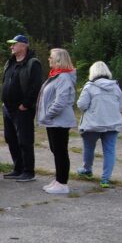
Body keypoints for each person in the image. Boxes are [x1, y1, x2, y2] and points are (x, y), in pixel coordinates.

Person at [1, 34, 43, 183]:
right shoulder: (10, 62)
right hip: (7, 108)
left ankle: (28, 171)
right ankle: (17, 168)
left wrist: (25, 104)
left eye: (14, 44)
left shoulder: (33, 63)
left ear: (24, 45)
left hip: (22, 109)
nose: (11, 47)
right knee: (10, 138)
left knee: (24, 140)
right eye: (11, 44)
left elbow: (35, 86)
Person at [76, 61, 122, 189]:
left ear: (93, 72)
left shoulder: (89, 87)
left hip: (93, 125)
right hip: (113, 124)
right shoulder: (116, 87)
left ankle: (87, 170)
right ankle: (105, 179)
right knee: (109, 151)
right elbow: (120, 105)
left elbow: (81, 105)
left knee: (89, 148)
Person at [36, 48, 77, 194]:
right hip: (54, 121)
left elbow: (60, 102)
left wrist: (47, 115)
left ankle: (62, 183)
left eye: (51, 57)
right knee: (56, 150)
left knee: (60, 151)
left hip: (59, 121)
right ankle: (58, 179)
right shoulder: (56, 76)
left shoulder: (64, 78)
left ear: (59, 60)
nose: (49, 59)